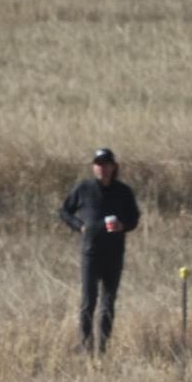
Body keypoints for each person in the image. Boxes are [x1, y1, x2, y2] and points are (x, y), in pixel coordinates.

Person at [60, 147, 139, 355]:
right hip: (91, 252)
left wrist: (123, 226)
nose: (102, 168)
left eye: (106, 164)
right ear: (93, 167)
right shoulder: (83, 188)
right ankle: (85, 346)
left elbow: (134, 218)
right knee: (88, 301)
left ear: (113, 167)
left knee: (108, 303)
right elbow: (65, 211)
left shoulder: (123, 192)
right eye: (98, 164)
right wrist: (80, 226)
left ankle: (103, 347)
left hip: (114, 253)